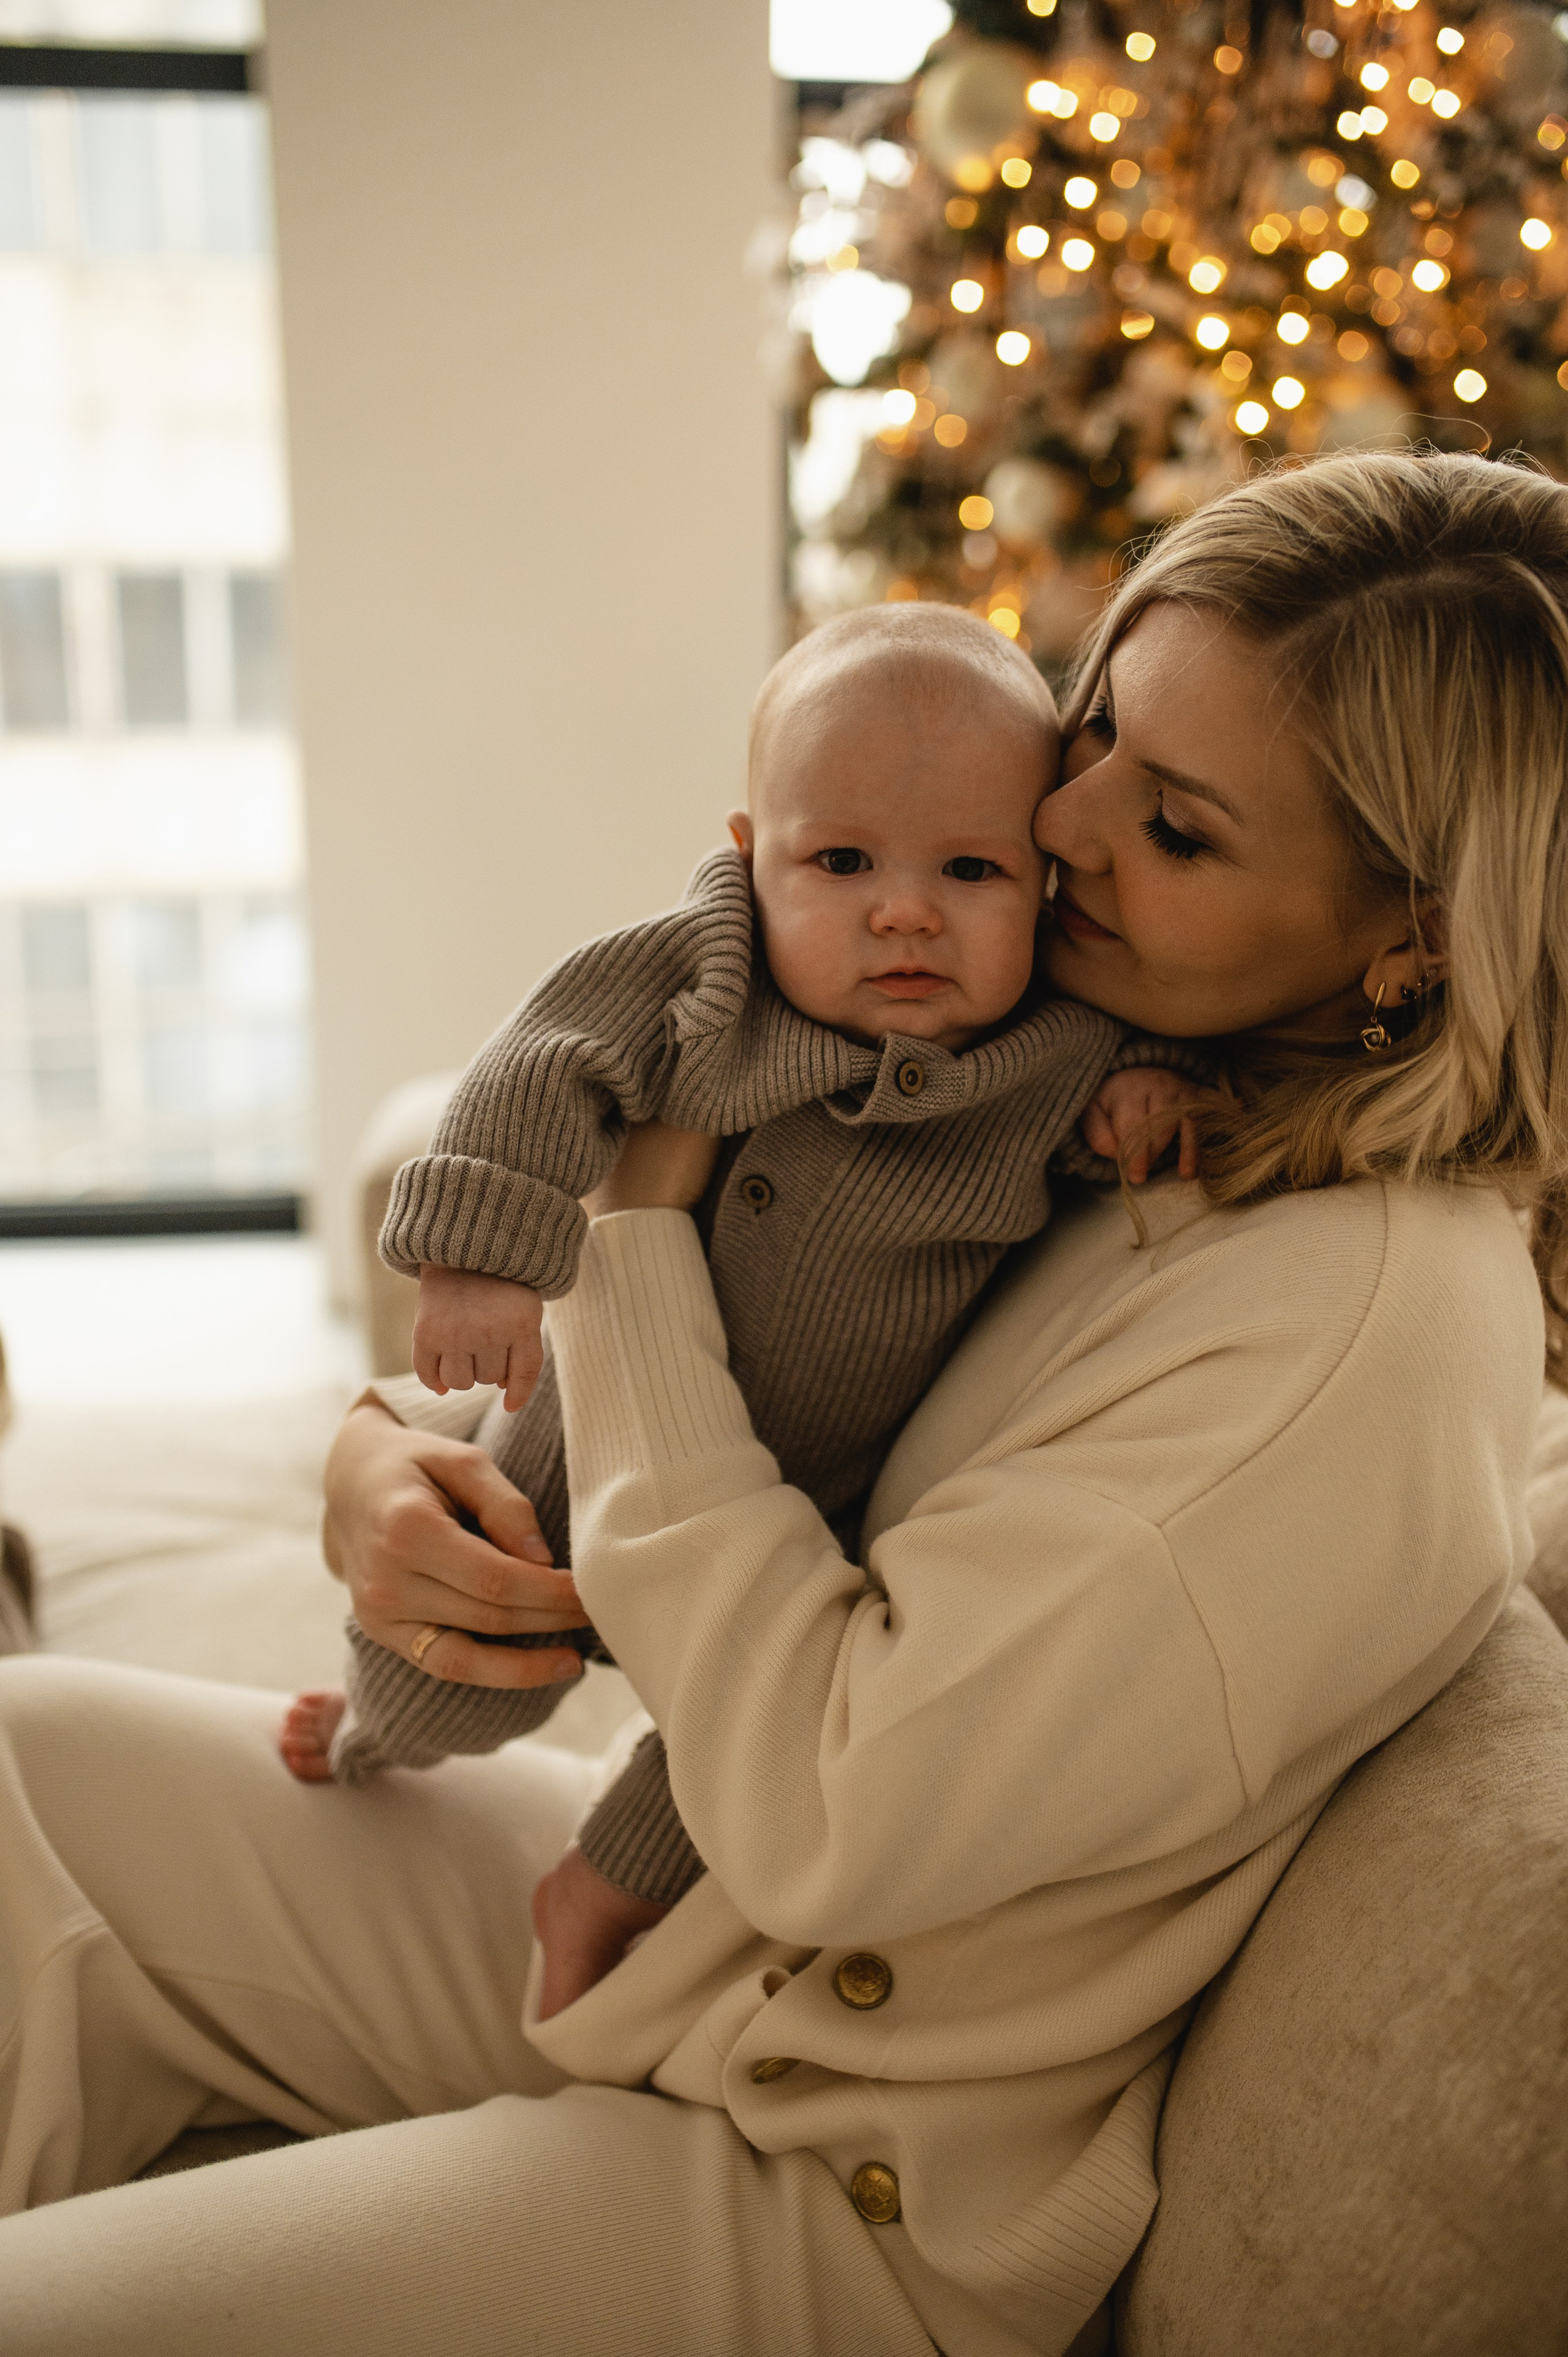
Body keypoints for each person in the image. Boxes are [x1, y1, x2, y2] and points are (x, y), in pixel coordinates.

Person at [0, 449, 1562, 2357]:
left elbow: (832, 1805)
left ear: (1413, 934)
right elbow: (802, 1341)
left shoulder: (1363, 1337)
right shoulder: (1139, 1085)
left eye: (1175, 825)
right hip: (695, 1958)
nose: (1057, 822)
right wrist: (388, 1450)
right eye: (1094, 733)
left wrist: (635, 1225)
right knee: (27, 1764)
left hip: (843, 2176)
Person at [278, 605, 1200, 1967]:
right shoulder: (712, 976)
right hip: (576, 1447)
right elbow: (549, 1054)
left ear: (1042, 887)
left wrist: (1133, 1104)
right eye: (838, 861)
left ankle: (599, 1887)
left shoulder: (1053, 1047)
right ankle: (371, 1730)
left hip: (815, 1513)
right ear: (747, 858)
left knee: (725, 1755)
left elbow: (1100, 1140)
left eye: (969, 869)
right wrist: (479, 1252)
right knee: (459, 1648)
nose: (904, 910)